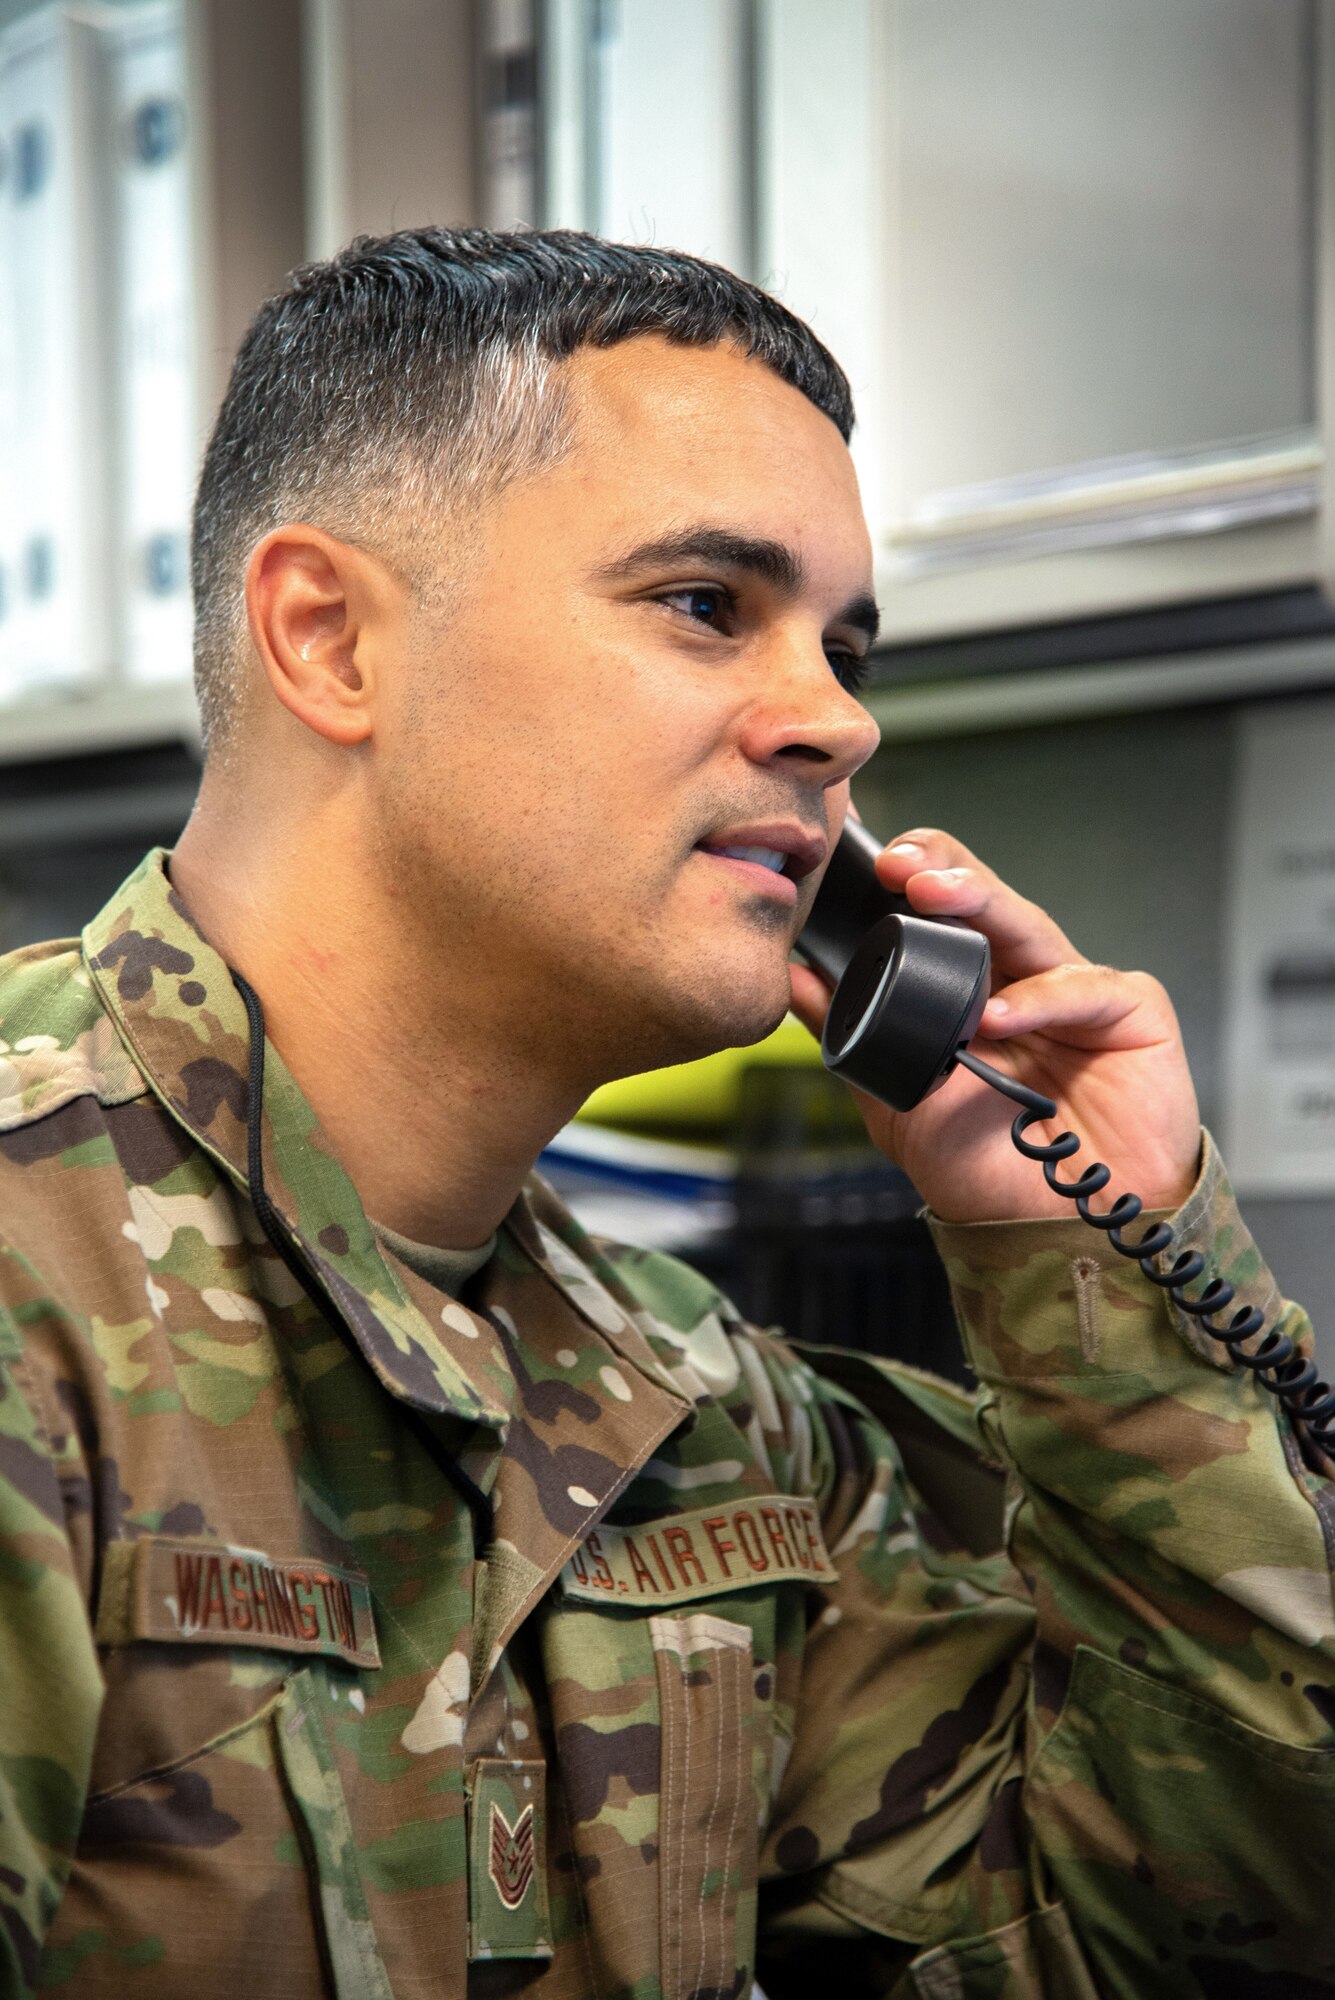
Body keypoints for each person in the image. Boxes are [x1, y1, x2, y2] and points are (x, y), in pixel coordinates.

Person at [1, 228, 1331, 2000]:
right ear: (327, 638)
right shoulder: (36, 1284)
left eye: (845, 644)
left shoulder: (696, 1405)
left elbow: (1180, 1936)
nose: (838, 720)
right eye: (710, 604)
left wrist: (1097, 1272)